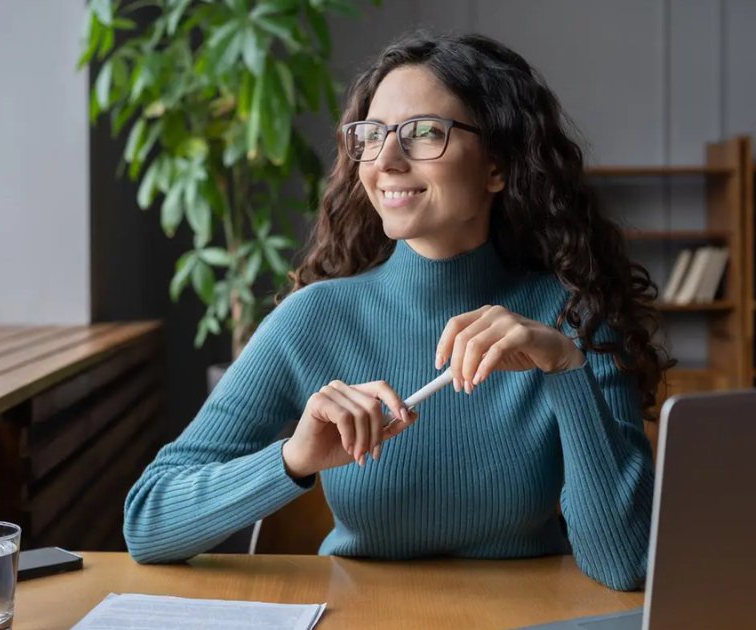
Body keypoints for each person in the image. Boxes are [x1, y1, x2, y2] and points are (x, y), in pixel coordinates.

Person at [123, 31, 670, 592]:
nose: (385, 159)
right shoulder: (312, 320)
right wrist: (294, 458)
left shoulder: (573, 319)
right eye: (372, 134)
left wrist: (565, 368)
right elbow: (148, 521)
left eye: (424, 133)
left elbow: (625, 564)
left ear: (497, 167)